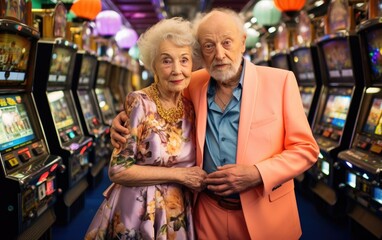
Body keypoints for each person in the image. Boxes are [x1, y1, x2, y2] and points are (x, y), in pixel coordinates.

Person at [110, 8, 320, 240]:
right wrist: (123, 119)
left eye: (227, 42)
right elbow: (159, 106)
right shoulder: (192, 83)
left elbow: (306, 149)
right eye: (209, 46)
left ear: (242, 42)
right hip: (206, 213)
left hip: (263, 212)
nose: (219, 54)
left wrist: (257, 173)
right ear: (201, 51)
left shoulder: (280, 81)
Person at [85, 17, 207, 240]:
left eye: (184, 60)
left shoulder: (191, 105)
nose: (177, 70)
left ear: (193, 65)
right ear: (153, 65)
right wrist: (180, 175)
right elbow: (118, 170)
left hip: (175, 210)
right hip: (138, 209)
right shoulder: (139, 102)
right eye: (167, 61)